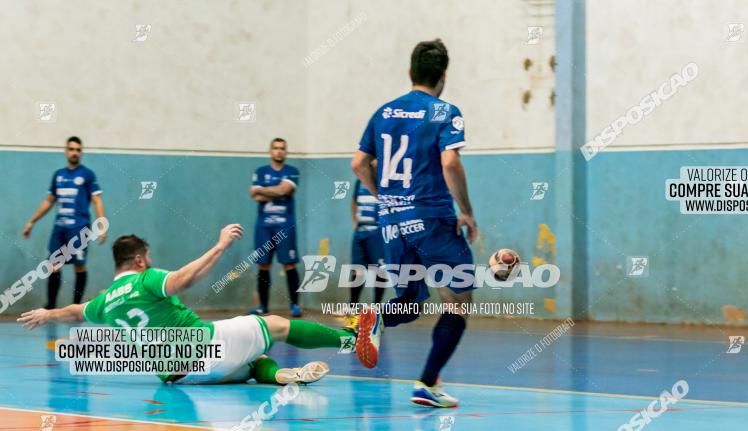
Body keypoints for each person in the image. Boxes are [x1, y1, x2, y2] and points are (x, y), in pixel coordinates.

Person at [18, 225, 367, 385]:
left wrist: (47, 313)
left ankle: (279, 375)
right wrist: (219, 246)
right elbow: (183, 280)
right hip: (203, 347)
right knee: (275, 324)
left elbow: (76, 312)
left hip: (179, 376)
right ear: (139, 260)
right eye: (149, 257)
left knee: (253, 362)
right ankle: (352, 340)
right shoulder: (146, 278)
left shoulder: (105, 302)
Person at [351, 39, 476, 408]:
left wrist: (386, 198)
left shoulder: (383, 112)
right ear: (443, 75)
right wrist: (466, 210)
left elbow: (358, 164)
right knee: (457, 302)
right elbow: (450, 163)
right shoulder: (444, 112)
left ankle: (373, 317)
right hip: (432, 218)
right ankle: (426, 383)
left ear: (410, 72)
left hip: (391, 222)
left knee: (410, 300)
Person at [22, 136, 107, 309]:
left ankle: (76, 307)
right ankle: (51, 306)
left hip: (79, 228)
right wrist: (32, 221)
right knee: (53, 265)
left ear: (81, 152)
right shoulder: (58, 175)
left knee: (79, 265)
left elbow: (97, 200)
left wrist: (101, 224)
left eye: (78, 150)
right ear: (66, 151)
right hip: (59, 229)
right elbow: (48, 201)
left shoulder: (88, 175)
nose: (74, 152)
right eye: (71, 149)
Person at [250, 138, 302, 317]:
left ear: (286, 152)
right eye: (276, 148)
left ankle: (295, 306)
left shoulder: (292, 171)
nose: (279, 151)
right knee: (263, 265)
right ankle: (263, 306)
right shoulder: (260, 171)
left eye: (282, 148)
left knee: (289, 265)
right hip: (264, 226)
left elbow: (283, 191)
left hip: (285, 226)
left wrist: (264, 190)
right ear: (270, 151)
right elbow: (254, 195)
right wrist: (278, 190)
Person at [349, 171, 386, 308]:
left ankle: (376, 309)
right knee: (357, 270)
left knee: (380, 271)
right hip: (360, 233)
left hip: (377, 233)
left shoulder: (385, 180)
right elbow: (354, 201)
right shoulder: (360, 181)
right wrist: (355, 220)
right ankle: (352, 308)